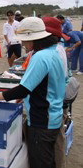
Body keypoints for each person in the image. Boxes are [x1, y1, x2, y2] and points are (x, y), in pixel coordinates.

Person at [0, 17, 66, 168]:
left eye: (25, 40)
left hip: (42, 121)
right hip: (53, 115)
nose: (23, 44)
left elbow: (23, 88)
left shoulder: (40, 56)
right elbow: (42, 86)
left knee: (41, 162)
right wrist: (24, 96)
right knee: (49, 159)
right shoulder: (54, 51)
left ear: (34, 39)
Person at [42, 17, 70, 168]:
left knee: (57, 141)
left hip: (54, 102)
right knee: (58, 140)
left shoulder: (52, 52)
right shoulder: (59, 48)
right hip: (58, 99)